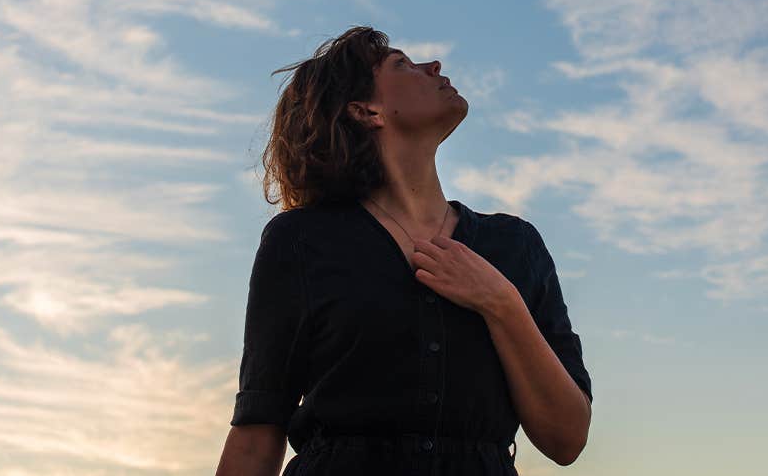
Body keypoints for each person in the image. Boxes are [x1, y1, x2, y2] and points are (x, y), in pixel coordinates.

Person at [215, 26, 593, 476]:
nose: (433, 66)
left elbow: (567, 439)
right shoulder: (300, 240)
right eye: (402, 64)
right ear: (365, 110)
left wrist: (500, 302)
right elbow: (258, 431)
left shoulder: (514, 245)